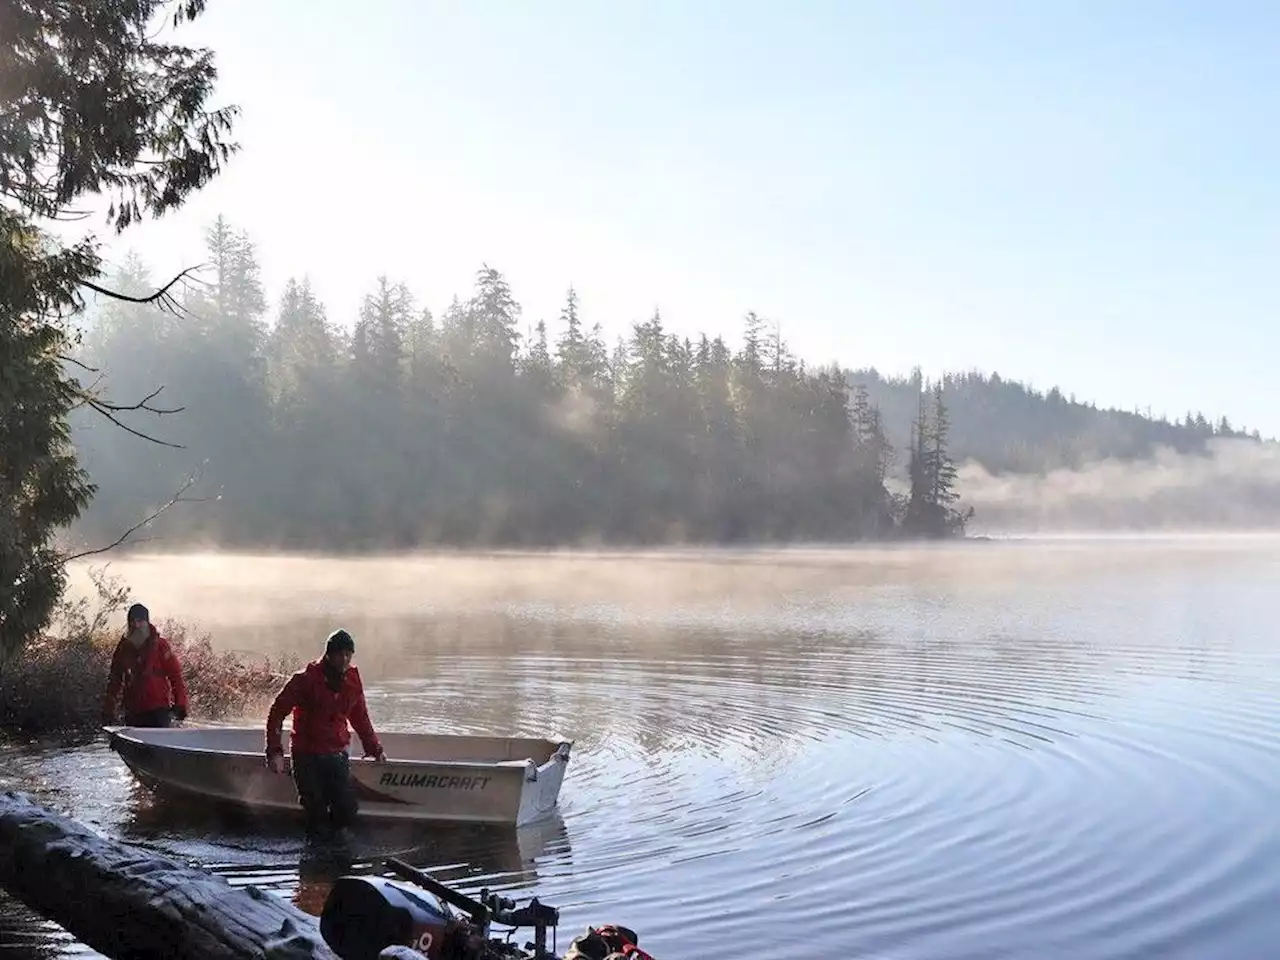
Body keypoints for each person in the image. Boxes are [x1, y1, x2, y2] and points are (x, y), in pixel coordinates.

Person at [264, 628, 387, 839]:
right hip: (307, 756)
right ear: (329, 654)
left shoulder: (352, 681)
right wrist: (275, 751)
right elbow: (277, 713)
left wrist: (374, 748)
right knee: (316, 812)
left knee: (347, 810)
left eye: (349, 654)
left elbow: (360, 718)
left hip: (337, 755)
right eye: (340, 654)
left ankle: (338, 859)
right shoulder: (304, 680)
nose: (345, 659)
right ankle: (315, 862)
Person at [101, 602, 189, 727]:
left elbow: (175, 675)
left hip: (159, 710)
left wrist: (180, 703)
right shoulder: (123, 648)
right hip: (133, 711)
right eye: (132, 621)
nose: (136, 625)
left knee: (159, 744)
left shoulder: (160, 646)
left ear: (147, 622)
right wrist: (109, 707)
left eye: (140, 621)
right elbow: (115, 679)